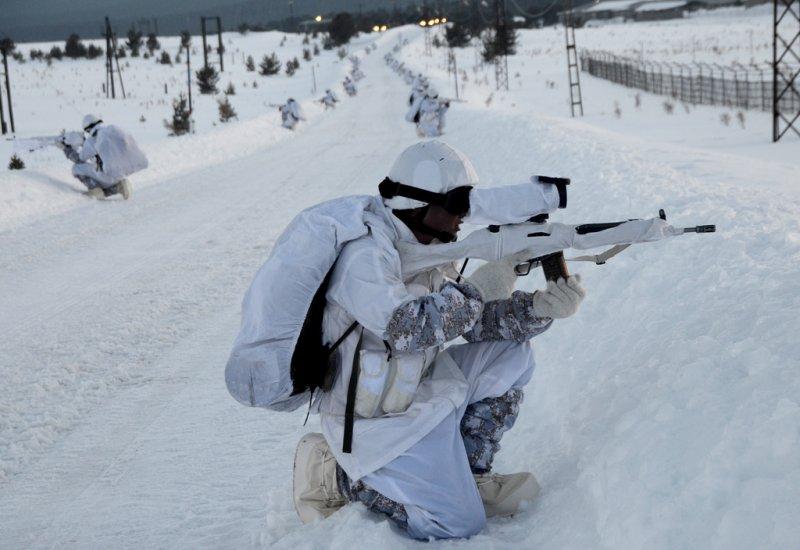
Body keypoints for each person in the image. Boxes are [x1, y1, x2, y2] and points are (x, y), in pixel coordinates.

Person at [293, 141, 587, 540]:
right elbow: (408, 328)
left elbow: (471, 323)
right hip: (375, 425)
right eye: (455, 210)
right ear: (418, 206)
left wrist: (539, 309)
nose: (461, 221)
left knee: (511, 356)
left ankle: (468, 475)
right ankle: (337, 476)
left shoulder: (428, 244)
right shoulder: (364, 257)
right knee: (459, 524)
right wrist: (477, 290)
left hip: (417, 387)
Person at [60, 114, 147, 199]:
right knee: (102, 172)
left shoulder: (92, 140)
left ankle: (95, 189)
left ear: (88, 129)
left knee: (76, 168)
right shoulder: (112, 131)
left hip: (106, 175)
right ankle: (119, 186)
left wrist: (66, 149)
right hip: (120, 174)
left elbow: (80, 159)